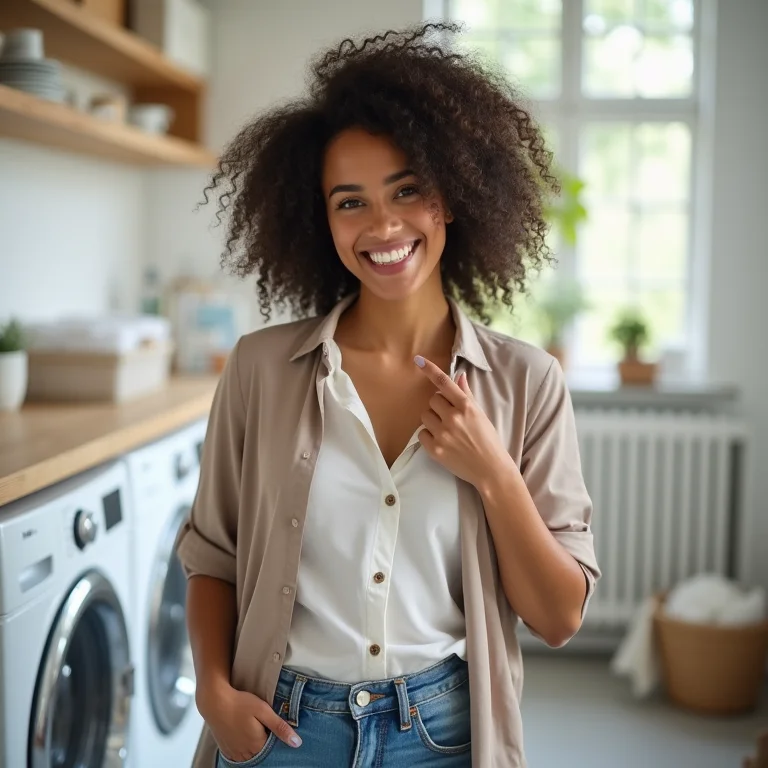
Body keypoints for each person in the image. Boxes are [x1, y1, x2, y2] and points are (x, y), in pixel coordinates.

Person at [177, 22, 601, 768]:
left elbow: (559, 615)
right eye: (351, 202)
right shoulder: (260, 369)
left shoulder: (528, 382)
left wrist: (494, 472)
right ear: (321, 220)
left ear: (454, 196)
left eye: (408, 190)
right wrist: (214, 692)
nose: (383, 225)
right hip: (282, 727)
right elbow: (212, 556)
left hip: (443, 733)